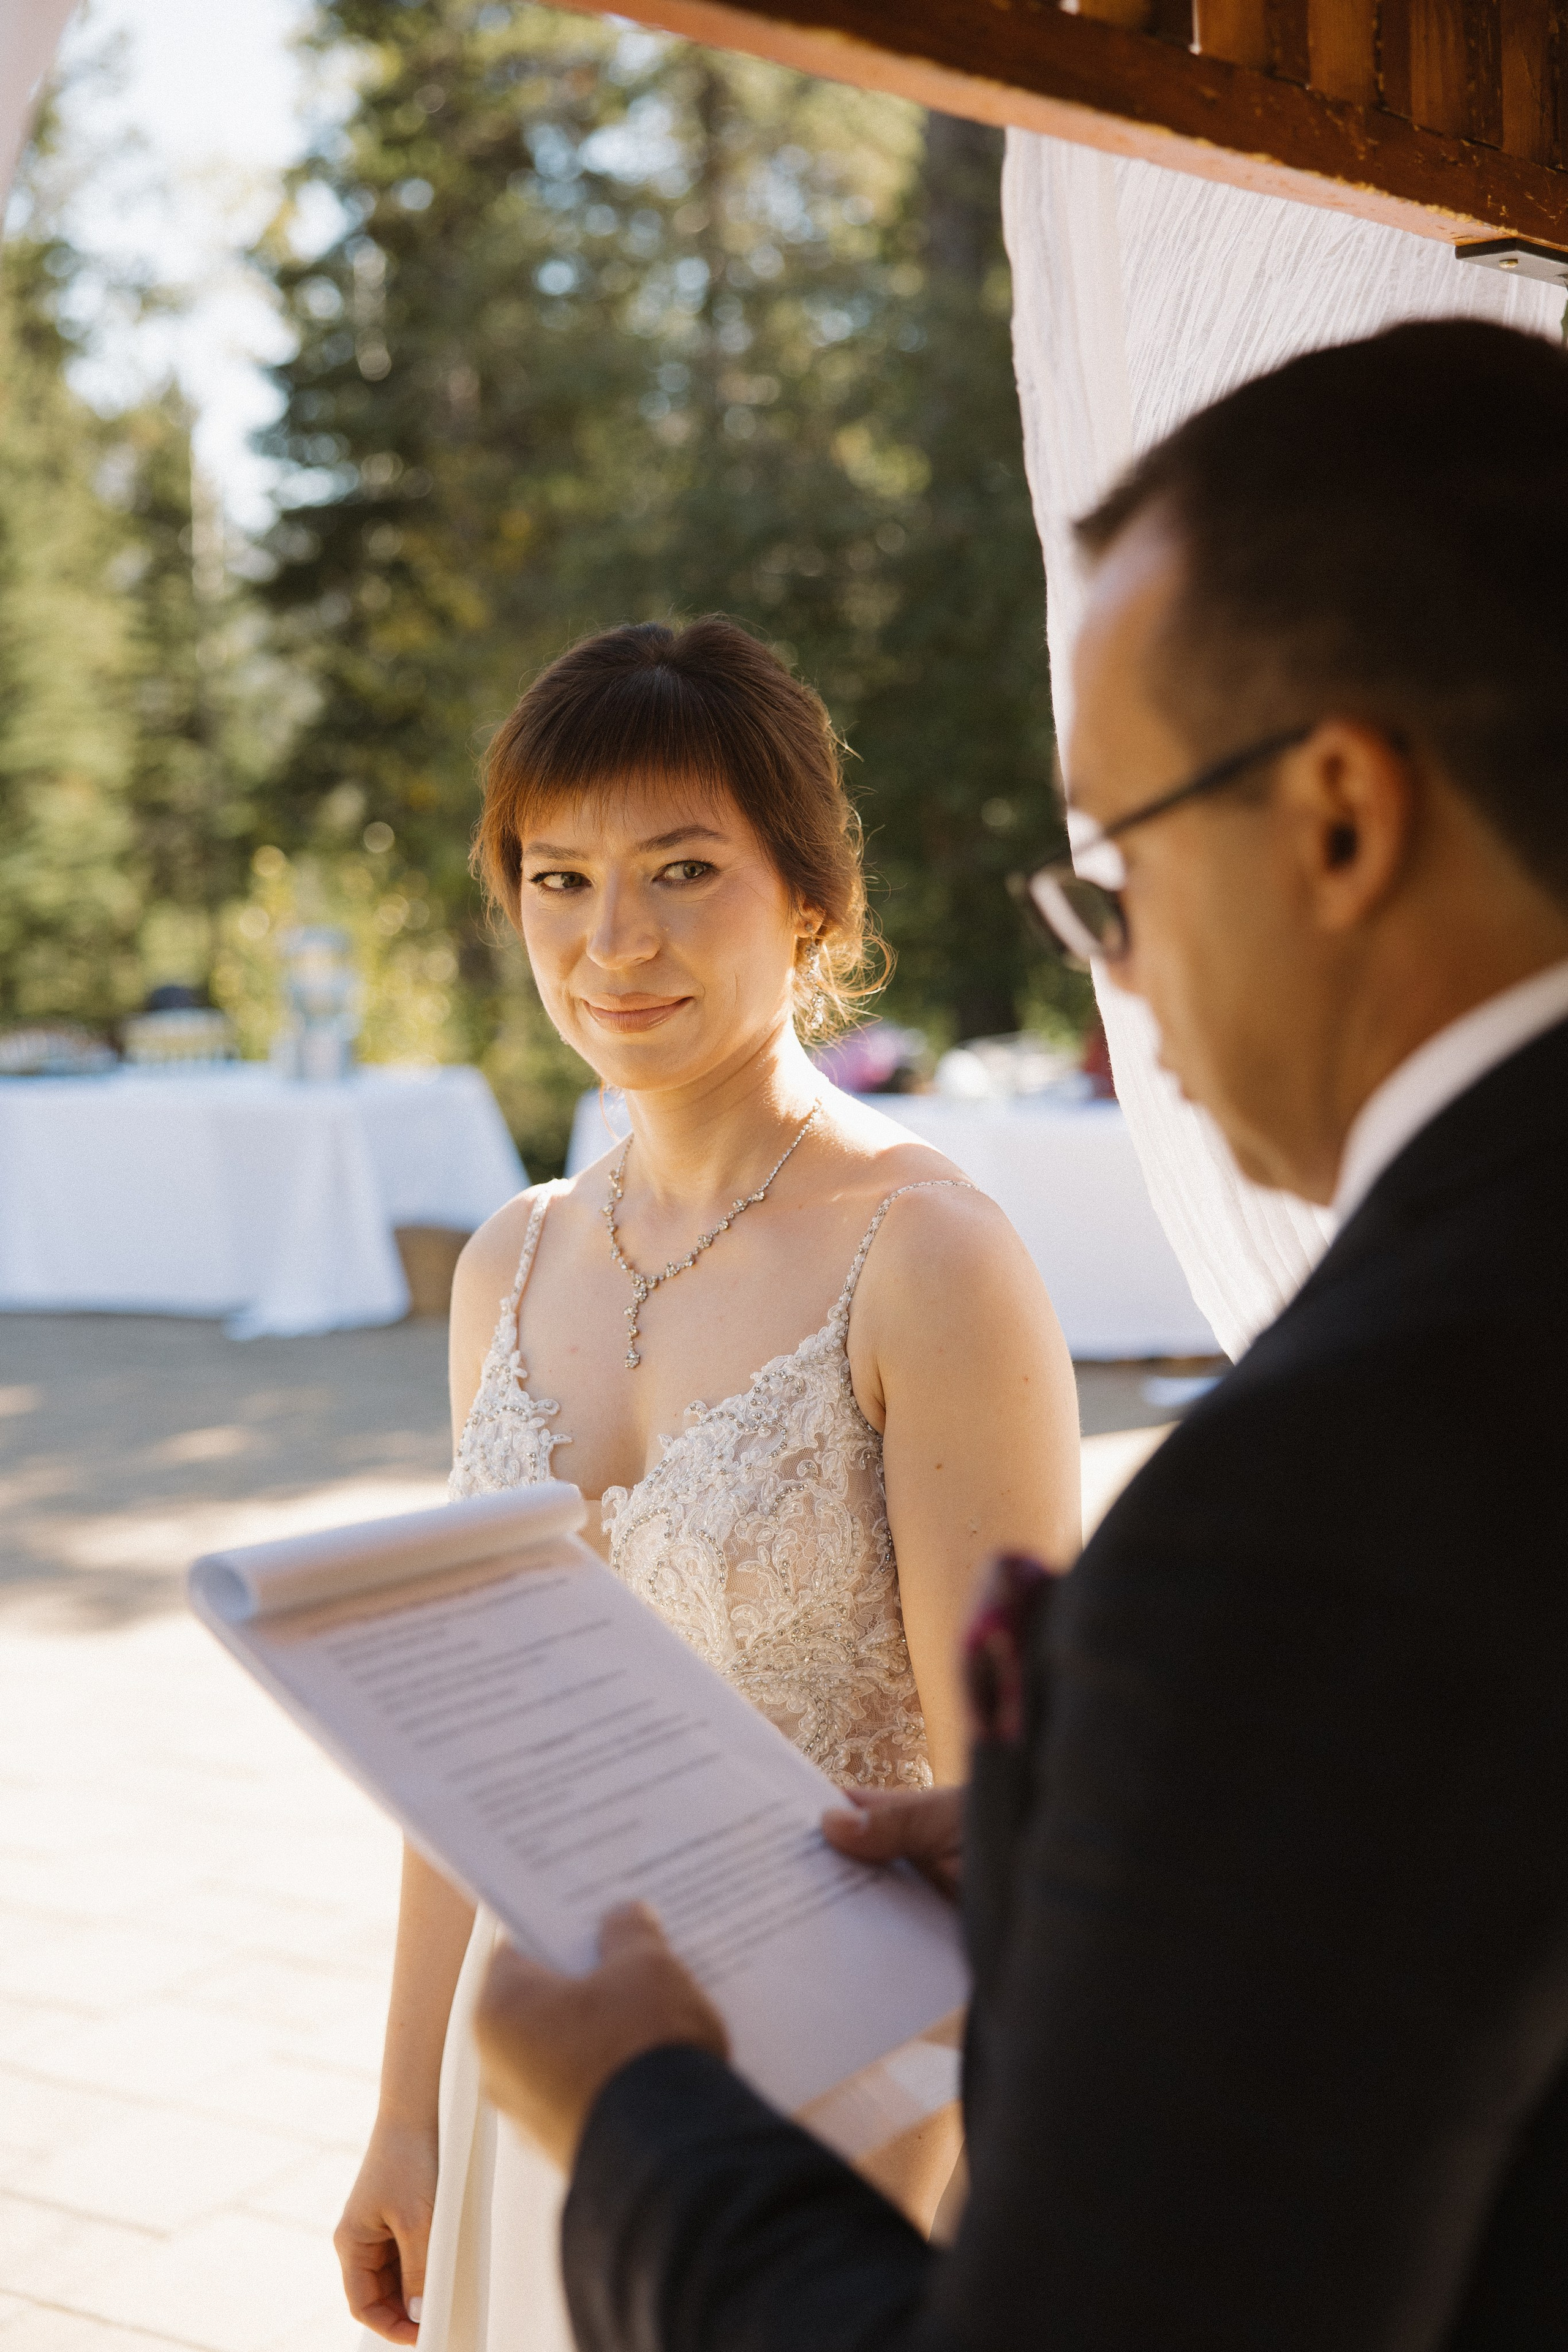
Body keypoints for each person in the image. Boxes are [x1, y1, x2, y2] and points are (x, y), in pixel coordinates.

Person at [469, 317, 1568, 2350]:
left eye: (1120, 864)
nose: (1115, 971)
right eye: (559, 882)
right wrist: (1118, 1871)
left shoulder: (1327, 1508)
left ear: (1335, 816)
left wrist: (638, 2119)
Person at [333, 616, 1082, 2350]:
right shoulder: (509, 1261)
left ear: (809, 896)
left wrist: (1000, 2178)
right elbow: (472, 1750)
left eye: (683, 871)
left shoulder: (929, 1253)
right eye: (559, 877)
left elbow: (1025, 1799)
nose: (614, 942)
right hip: (540, 2069)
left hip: (837, 2104)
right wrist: (405, 2108)